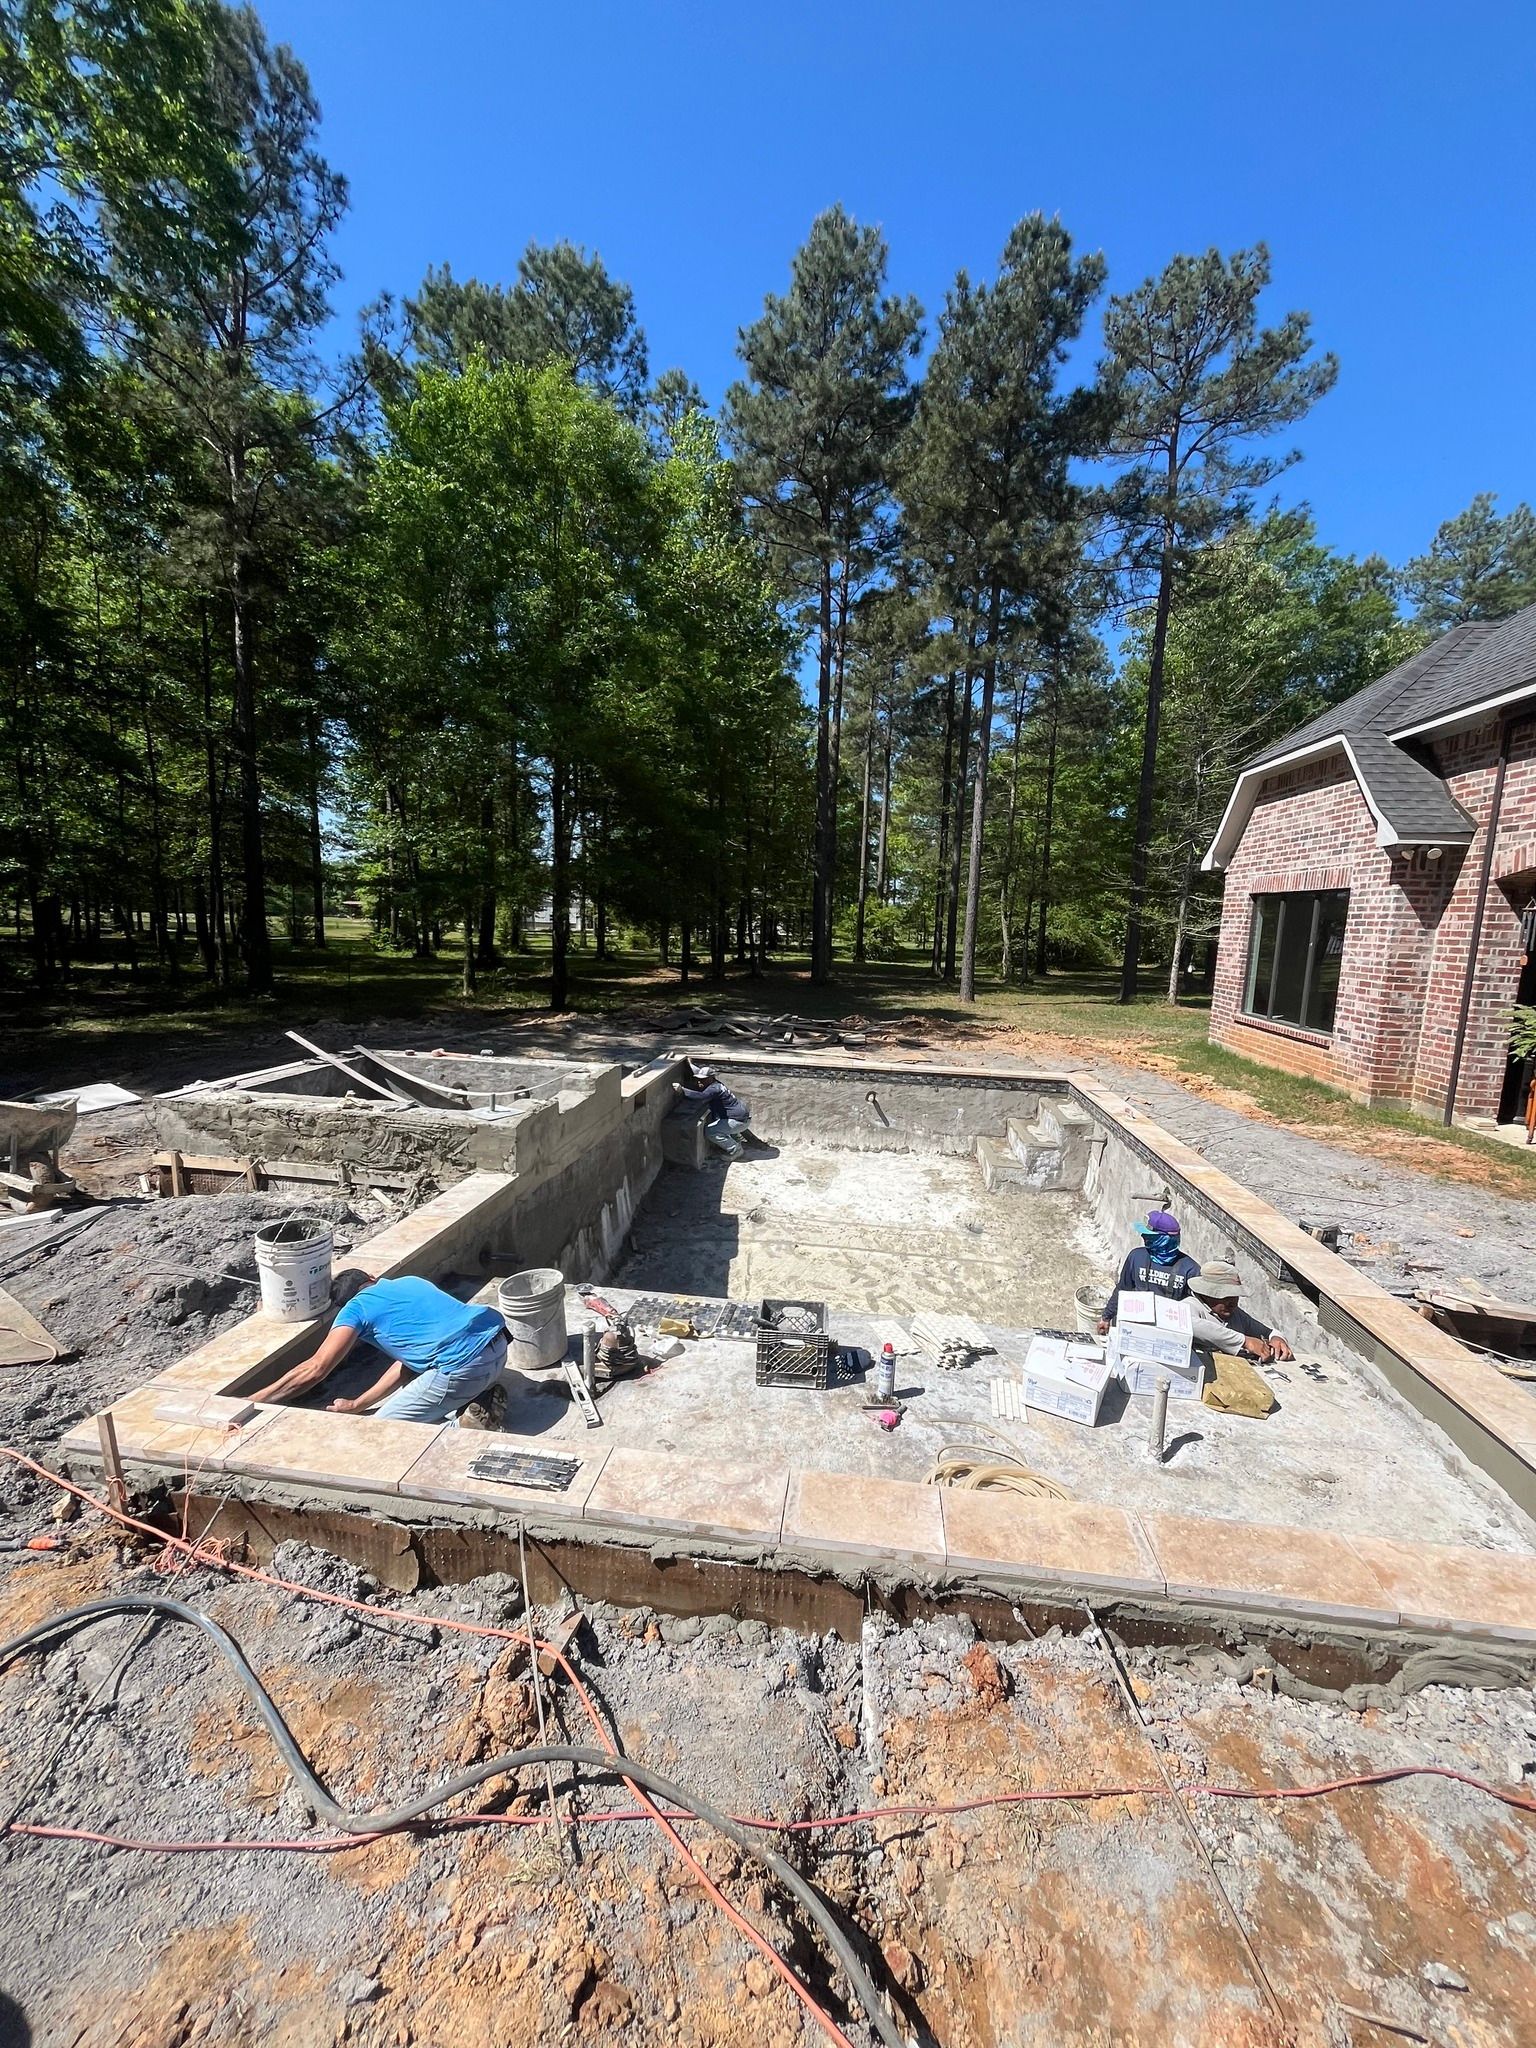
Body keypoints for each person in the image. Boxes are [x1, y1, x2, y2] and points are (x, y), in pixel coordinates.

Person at [250, 1270, 509, 1424]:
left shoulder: (356, 1308)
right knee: (420, 1382)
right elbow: (407, 1365)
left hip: (463, 1367)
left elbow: (316, 1368)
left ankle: (464, 1427)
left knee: (382, 1427)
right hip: (497, 1346)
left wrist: (253, 1400)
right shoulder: (410, 1281)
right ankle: (479, 1399)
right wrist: (357, 1404)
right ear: (373, 1278)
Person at [1097, 1209, 1201, 1335]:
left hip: (1169, 1331)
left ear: (1164, 1239)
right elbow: (1122, 1289)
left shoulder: (1190, 1269)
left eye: (1149, 1236)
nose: (1143, 1237)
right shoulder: (1136, 1256)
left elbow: (1196, 1309)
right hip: (1133, 1325)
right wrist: (1106, 1317)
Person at [1187, 1262, 1294, 1365]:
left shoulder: (1237, 1315)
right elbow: (1192, 1325)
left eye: (1235, 1296)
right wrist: (1245, 1341)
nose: (1232, 1303)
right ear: (1206, 1294)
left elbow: (1268, 1332)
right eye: (1226, 1297)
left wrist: (1277, 1339)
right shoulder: (1189, 1307)